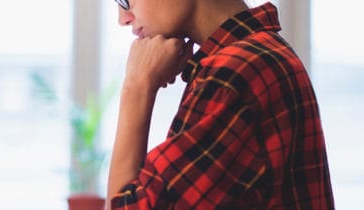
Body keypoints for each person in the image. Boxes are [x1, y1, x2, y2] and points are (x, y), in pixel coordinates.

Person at [106, 0, 334, 209]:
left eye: (126, 0)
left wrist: (136, 88)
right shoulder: (259, 53)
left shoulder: (234, 74)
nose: (122, 18)